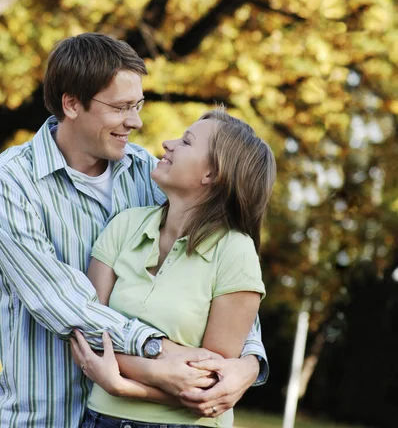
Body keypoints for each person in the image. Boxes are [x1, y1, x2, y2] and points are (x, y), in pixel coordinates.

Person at [0, 33, 268, 428]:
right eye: (122, 107)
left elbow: (222, 289)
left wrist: (248, 361)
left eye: (138, 105)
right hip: (48, 416)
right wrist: (159, 354)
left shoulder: (147, 172)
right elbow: (60, 302)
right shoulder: (13, 182)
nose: (137, 121)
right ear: (71, 103)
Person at [71, 107, 276, 428]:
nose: (167, 143)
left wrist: (123, 383)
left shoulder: (235, 252)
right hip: (101, 418)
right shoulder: (124, 226)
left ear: (212, 174)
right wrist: (155, 371)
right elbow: (89, 332)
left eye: (187, 142)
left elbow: (210, 384)